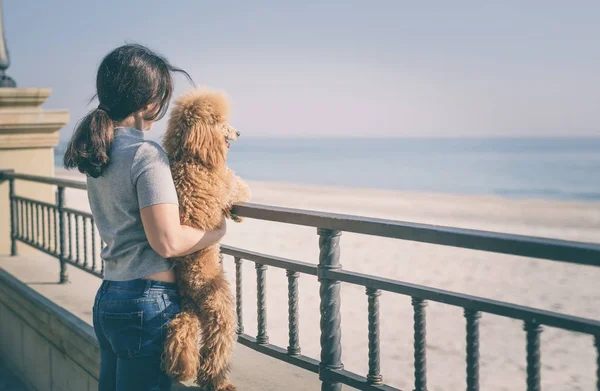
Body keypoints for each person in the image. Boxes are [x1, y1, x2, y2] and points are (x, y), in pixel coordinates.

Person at [64, 44, 225, 391]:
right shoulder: (145, 154)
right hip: (147, 302)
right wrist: (216, 231)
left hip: (110, 295)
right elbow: (166, 240)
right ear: (150, 102)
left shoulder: (100, 149)